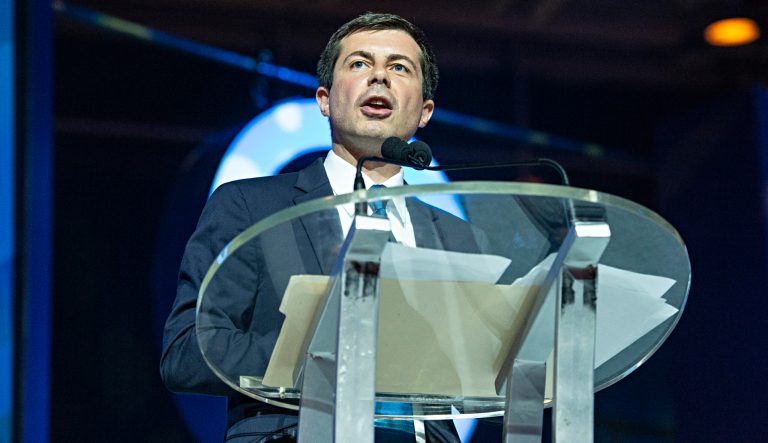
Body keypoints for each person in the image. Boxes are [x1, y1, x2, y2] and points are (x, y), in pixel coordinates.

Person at [161, 12, 483, 442]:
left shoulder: (455, 238)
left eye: (399, 68)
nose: (380, 78)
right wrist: (317, 359)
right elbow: (186, 353)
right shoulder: (251, 206)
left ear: (425, 111)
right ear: (324, 100)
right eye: (359, 64)